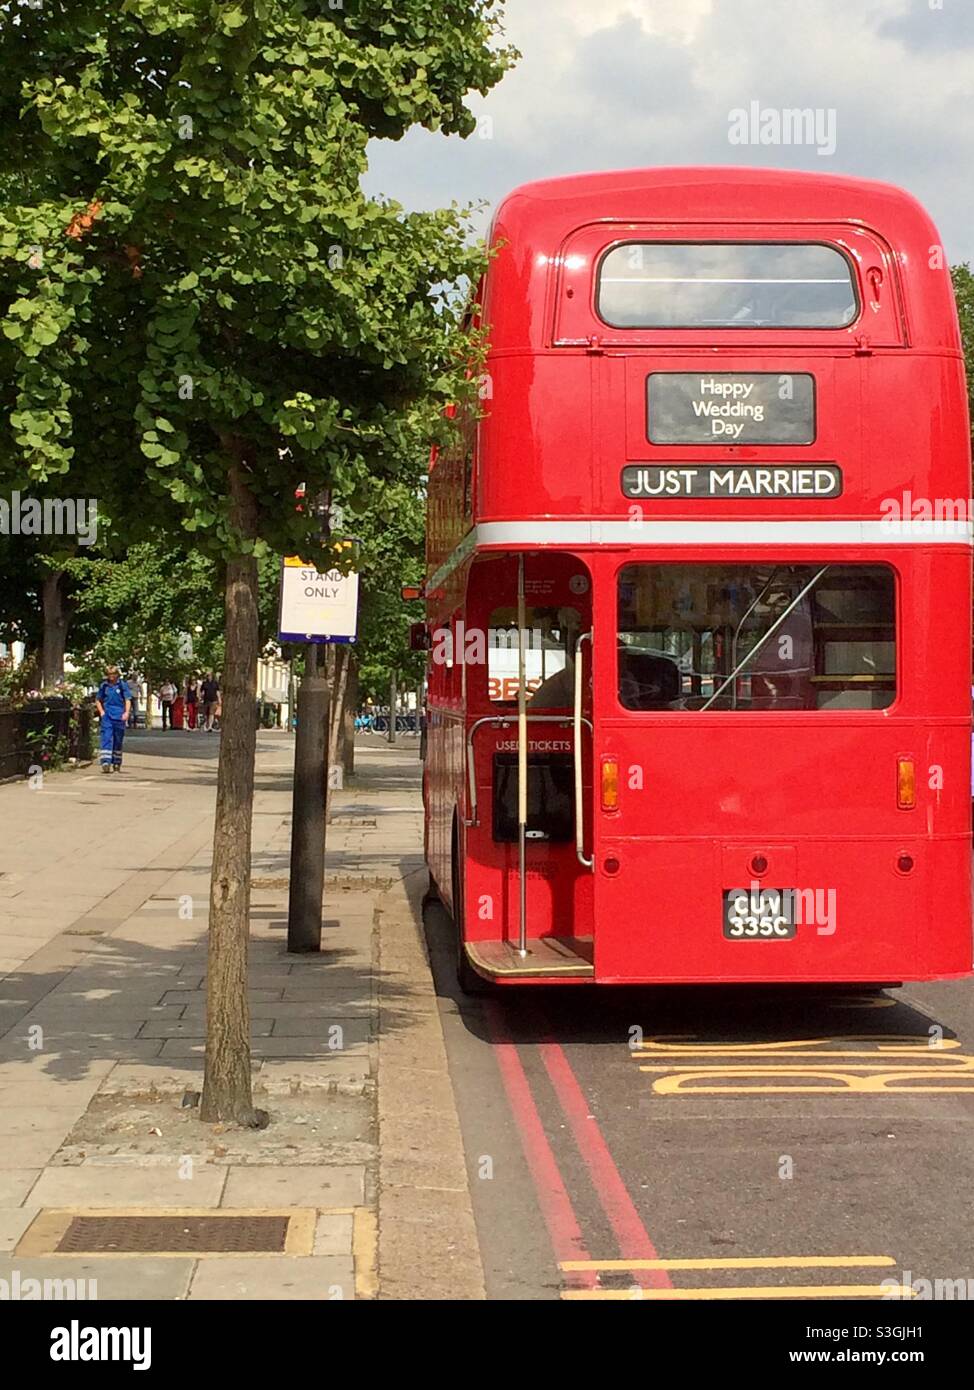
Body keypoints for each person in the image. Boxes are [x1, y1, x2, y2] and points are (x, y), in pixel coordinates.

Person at [95, 665, 132, 773]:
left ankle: (116, 762)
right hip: (107, 716)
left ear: (117, 675)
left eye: (113, 674)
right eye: (109, 674)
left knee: (118, 740)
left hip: (119, 716)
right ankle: (105, 762)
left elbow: (127, 699)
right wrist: (101, 712)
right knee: (106, 737)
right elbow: (98, 700)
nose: (111, 677)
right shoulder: (104, 686)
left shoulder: (122, 685)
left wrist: (126, 712)